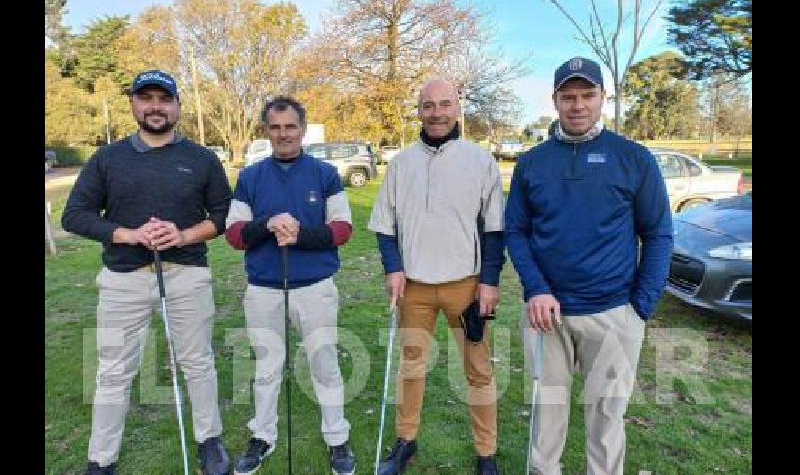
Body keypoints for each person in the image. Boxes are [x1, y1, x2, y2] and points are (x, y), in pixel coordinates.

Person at [504, 56, 673, 475]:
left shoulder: (633, 158)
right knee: (546, 420)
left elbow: (658, 234)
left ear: (603, 97)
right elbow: (516, 231)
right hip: (547, 315)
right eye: (568, 96)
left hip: (613, 313)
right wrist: (535, 288)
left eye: (587, 95)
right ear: (556, 100)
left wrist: (640, 308)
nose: (577, 105)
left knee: (606, 421)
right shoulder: (532, 163)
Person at [61, 69, 233, 475]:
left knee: (197, 362)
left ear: (177, 106)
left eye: (164, 99)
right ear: (134, 105)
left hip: (186, 270)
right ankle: (101, 459)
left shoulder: (202, 159)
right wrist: (128, 234)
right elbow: (75, 215)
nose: (155, 106)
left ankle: (209, 440)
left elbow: (225, 215)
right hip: (123, 277)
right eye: (146, 98)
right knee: (113, 370)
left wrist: (182, 234)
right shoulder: (107, 159)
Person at [368, 79, 505, 475]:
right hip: (414, 287)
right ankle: (406, 441)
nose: (437, 112)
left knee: (478, 371)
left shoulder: (481, 161)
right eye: (428, 105)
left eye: (445, 104)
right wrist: (392, 267)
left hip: (467, 285)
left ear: (458, 107)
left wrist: (490, 280)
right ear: (419, 110)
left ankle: (486, 453)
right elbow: (385, 225)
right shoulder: (400, 163)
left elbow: (494, 229)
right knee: (411, 367)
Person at [224, 96, 356, 475]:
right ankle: (263, 436)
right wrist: (266, 224)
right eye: (275, 127)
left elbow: (343, 228)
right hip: (264, 288)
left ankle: (337, 439)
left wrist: (299, 234)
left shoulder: (325, 173)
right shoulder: (250, 177)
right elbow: (234, 235)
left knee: (324, 364)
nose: (283, 134)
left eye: (290, 126)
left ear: (302, 128)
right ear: (266, 131)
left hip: (314, 287)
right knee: (267, 367)